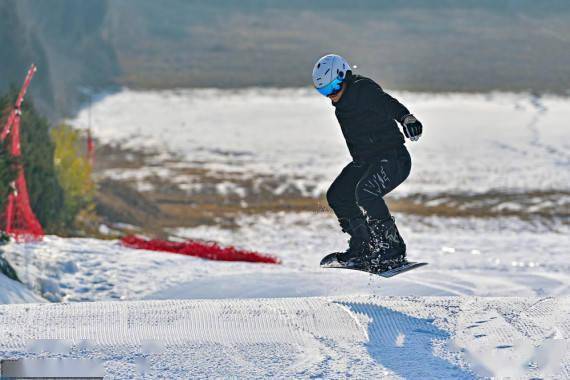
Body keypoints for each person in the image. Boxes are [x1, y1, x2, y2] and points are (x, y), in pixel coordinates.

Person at [313, 54, 423, 269]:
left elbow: (387, 103)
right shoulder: (342, 101)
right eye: (324, 91)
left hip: (393, 158)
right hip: (366, 161)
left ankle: (393, 249)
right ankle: (363, 247)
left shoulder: (363, 89)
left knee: (366, 192)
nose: (331, 95)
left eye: (334, 87)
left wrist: (406, 118)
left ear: (344, 75)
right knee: (338, 195)